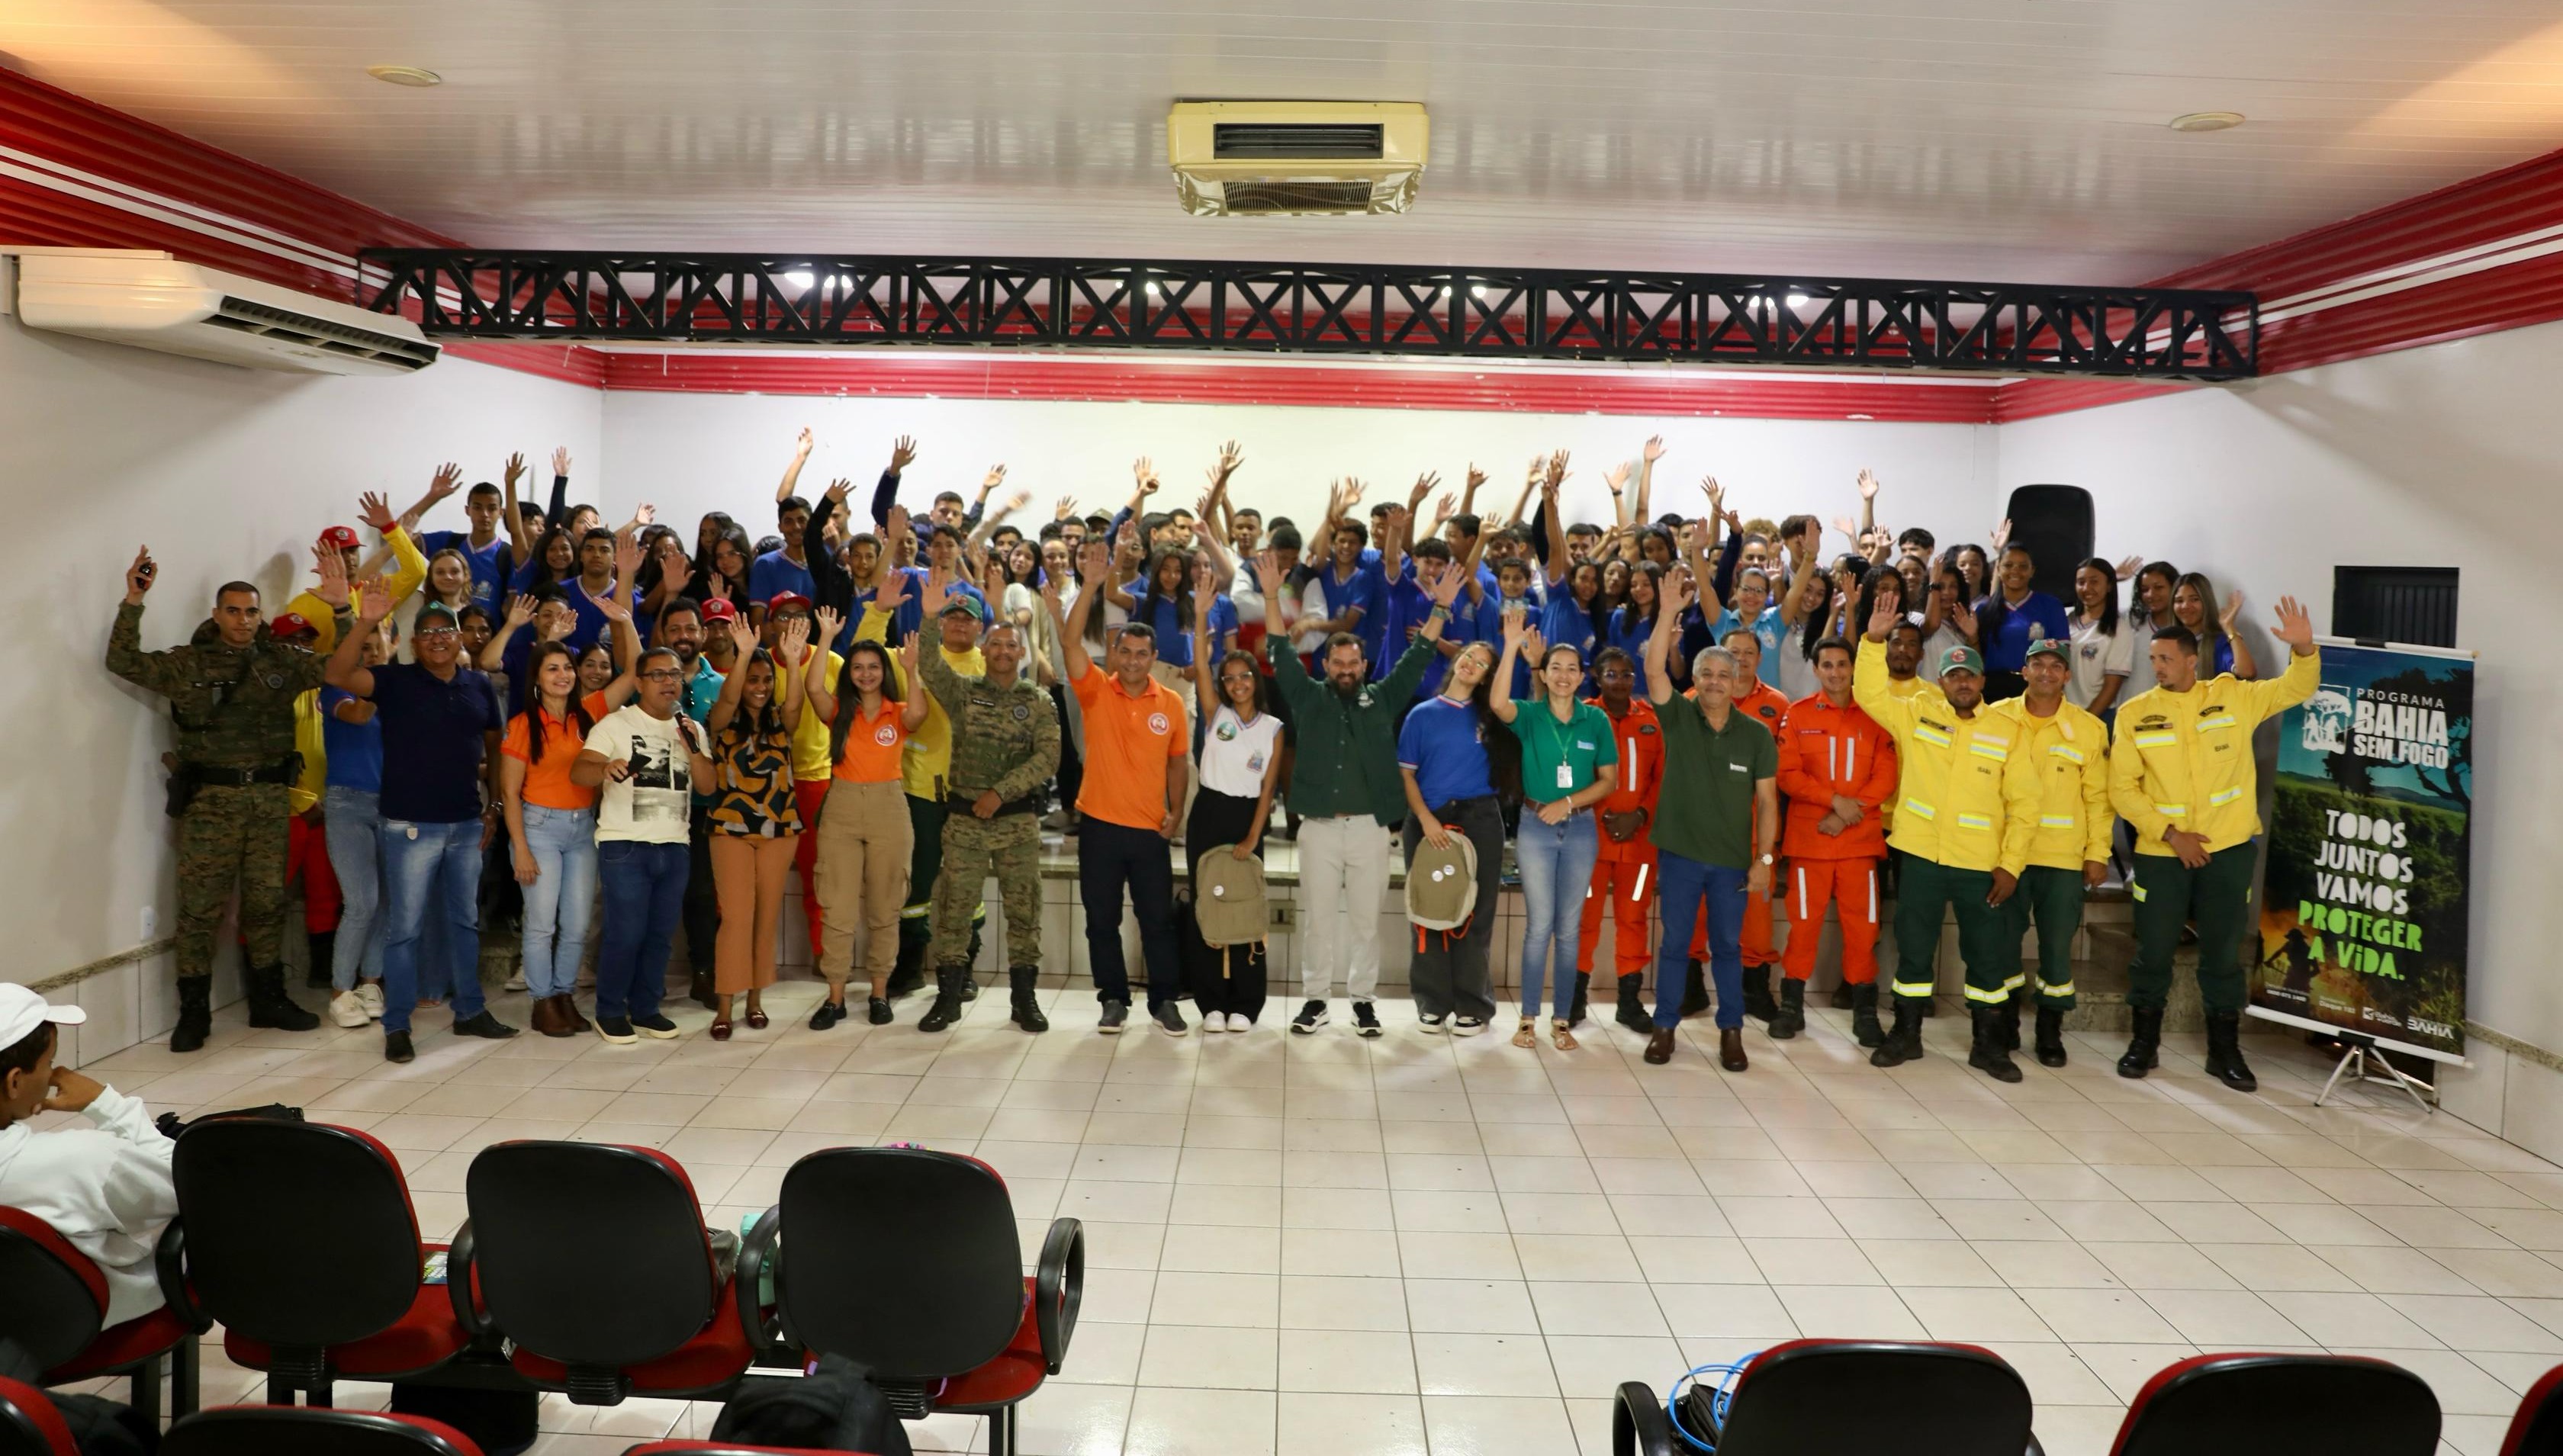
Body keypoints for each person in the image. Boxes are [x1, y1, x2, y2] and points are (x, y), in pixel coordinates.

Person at [107, 546, 331, 1051]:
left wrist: (342, 611)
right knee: (199, 910)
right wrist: (133, 600)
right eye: (233, 610)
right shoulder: (188, 663)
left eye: (251, 611)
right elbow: (122, 660)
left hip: (269, 798)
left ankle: (268, 1000)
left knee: (266, 903)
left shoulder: (282, 660)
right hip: (212, 802)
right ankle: (193, 1012)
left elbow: (340, 668)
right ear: (216, 613)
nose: (243, 620)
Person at [2109, 599, 2320, 1091]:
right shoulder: (2135, 714)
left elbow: (2296, 687)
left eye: (2166, 659)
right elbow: (2122, 788)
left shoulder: (2232, 696)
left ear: (2192, 660)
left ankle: (2224, 1052)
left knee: (2223, 955)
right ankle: (2143, 1043)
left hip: (2227, 851)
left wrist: (2305, 648)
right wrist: (2171, 834)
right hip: (2162, 854)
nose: (2158, 667)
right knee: (2153, 952)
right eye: (2153, 659)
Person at [1255, 550, 1452, 1038]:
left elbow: (1418, 656)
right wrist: (1270, 597)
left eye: (1353, 662)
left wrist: (1442, 609)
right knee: (1318, 922)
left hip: (1369, 829)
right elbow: (1279, 649)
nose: (1345, 669)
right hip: (1319, 828)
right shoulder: (1307, 697)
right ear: (1325, 664)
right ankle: (1316, 1001)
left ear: (1364, 665)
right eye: (1337, 662)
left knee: (1366, 923)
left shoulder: (1384, 697)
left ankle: (1364, 1003)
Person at [1851, 595, 2037, 1080]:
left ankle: (1988, 1046)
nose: (1962, 683)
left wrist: (2011, 865)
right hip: (1920, 856)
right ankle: (1906, 1035)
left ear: (1982, 681)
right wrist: (1873, 641)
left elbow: (2025, 807)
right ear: (1941, 682)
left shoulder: (2008, 731)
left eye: (1969, 675)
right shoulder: (1918, 712)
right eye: (1953, 676)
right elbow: (1868, 695)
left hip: (1981, 865)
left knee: (1986, 957)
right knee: (1914, 949)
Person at [1641, 574, 1777, 1072]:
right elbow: (1653, 668)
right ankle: (1664, 1028)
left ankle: (1731, 1031)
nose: (1716, 681)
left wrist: (1764, 859)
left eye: (1724, 674)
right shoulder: (1678, 717)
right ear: (1696, 680)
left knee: (1727, 949)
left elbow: (1768, 803)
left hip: (1732, 863)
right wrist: (1666, 612)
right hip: (1679, 855)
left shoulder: (1757, 735)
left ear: (1737, 680)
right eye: (1707, 674)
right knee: (1676, 946)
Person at [915, 576, 1061, 1034]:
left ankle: (1024, 1000)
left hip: (1016, 823)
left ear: (1022, 653)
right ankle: (948, 999)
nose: (1002, 651)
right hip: (965, 823)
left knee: (1024, 911)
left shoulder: (1038, 702)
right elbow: (929, 665)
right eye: (995, 644)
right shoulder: (963, 692)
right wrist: (930, 617)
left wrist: (1001, 792)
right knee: (954, 910)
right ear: (985, 649)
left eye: (1010, 646)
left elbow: (1048, 758)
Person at [1057, 539, 1191, 1034]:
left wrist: (1176, 812)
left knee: (1157, 922)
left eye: (1142, 654)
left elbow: (1178, 763)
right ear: (1114, 654)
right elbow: (1071, 643)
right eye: (1126, 652)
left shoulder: (1171, 702)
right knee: (1101, 921)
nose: (1133, 661)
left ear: (1154, 657)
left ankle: (1164, 1001)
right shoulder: (1096, 690)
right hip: (1099, 827)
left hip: (1150, 830)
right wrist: (1091, 586)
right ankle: (1113, 998)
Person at [0, 986, 177, 1327]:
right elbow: (186, 1184)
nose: (55, 1074)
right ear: (15, 1082)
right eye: (49, 1063)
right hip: (70, 1322)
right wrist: (107, 1104)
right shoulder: (81, 1160)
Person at [500, 608, 638, 1036]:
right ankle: (542, 1001)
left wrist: (625, 621)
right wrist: (521, 848)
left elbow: (635, 673)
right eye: (552, 668)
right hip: (538, 827)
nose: (563, 675)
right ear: (537, 678)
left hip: (582, 829)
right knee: (542, 923)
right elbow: (509, 792)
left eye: (567, 668)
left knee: (576, 924)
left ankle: (563, 995)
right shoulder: (523, 725)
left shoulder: (589, 712)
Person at [576, 646, 720, 1045]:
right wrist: (605, 767)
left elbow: (708, 785)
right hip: (625, 844)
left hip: (675, 845)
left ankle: (646, 1008)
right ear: (639, 682)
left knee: (659, 935)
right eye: (657, 675)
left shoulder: (691, 728)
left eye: (674, 674)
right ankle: (609, 1010)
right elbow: (579, 771)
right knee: (626, 933)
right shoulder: (615, 724)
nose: (668, 682)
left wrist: (693, 748)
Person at [1489, 615, 1618, 1049]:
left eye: (1572, 669)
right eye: (1555, 668)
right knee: (1538, 926)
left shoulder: (1595, 720)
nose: (1564, 675)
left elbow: (1608, 781)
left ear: (1582, 677)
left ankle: (1561, 1020)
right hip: (1535, 829)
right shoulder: (1529, 715)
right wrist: (1511, 647)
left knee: (1569, 928)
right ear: (1543, 675)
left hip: (1580, 830)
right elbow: (1498, 703)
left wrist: (1568, 803)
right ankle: (1527, 1019)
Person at [1988, 638, 2113, 1069]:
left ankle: (2049, 1031)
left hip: (2062, 859)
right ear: (2024, 672)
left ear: (2067, 676)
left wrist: (2098, 853)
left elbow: (2099, 800)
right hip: (2006, 858)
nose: (2046, 672)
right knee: (2004, 946)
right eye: (2037, 664)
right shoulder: (1996, 718)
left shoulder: (2089, 729)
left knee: (2057, 950)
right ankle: (2005, 1024)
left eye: (2055, 666)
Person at [806, 609, 930, 1027]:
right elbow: (813, 687)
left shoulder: (899, 711)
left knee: (885, 909)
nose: (865, 674)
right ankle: (835, 997)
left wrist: (911, 669)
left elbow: (920, 715)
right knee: (836, 909)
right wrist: (826, 638)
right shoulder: (839, 711)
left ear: (884, 671)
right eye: (857, 667)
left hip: (889, 809)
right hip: (841, 809)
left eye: (873, 666)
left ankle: (879, 993)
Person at [1772, 638, 1897, 1046]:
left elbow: (1886, 776)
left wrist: (1846, 811)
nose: (1836, 672)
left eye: (1843, 664)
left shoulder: (1876, 714)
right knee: (1803, 927)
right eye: (1827, 665)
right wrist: (1833, 801)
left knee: (1863, 929)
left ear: (1853, 668)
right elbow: (1787, 773)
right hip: (1811, 841)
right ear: (1816, 670)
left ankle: (1865, 1011)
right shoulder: (1798, 714)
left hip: (1859, 843)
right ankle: (1791, 1006)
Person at [1397, 632, 1512, 1037]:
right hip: (1428, 821)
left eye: (1481, 664)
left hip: (1480, 820)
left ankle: (1473, 1005)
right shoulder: (1421, 714)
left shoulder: (1492, 717)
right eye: (1468, 655)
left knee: (1476, 914)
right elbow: (1407, 775)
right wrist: (1426, 820)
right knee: (1428, 909)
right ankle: (1432, 1002)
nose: (1471, 664)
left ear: (1486, 677)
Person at [703, 614, 812, 1038]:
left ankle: (755, 1001)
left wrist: (793, 662)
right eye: (753, 679)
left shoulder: (780, 721)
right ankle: (724, 1005)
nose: (761, 687)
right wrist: (745, 654)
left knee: (766, 919)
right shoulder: (721, 719)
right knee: (736, 918)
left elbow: (796, 705)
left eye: (767, 680)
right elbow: (728, 698)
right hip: (729, 829)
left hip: (778, 831)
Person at [1185, 573, 1285, 1032]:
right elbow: (1200, 666)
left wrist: (1252, 836)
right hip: (1208, 813)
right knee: (1208, 902)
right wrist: (1201, 616)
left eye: (1245, 676)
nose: (1238, 683)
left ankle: (1246, 1003)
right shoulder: (1216, 714)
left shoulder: (1273, 728)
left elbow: (1267, 790)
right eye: (1230, 678)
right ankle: (1210, 1003)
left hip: (1247, 818)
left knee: (1245, 905)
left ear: (1255, 680)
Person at [1577, 647, 1663, 1033]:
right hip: (1590, 843)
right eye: (1611, 674)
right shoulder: (1582, 717)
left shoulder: (1651, 721)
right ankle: (1574, 998)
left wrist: (1640, 815)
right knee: (1584, 919)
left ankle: (1629, 1002)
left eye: (1626, 674)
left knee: (1634, 920)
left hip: (1640, 845)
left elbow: (1663, 778)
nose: (1620, 681)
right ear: (1596, 678)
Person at [320, 619, 393, 1028]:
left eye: (377, 646)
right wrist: (384, 687)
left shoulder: (397, 692)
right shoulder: (335, 690)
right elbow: (360, 715)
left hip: (391, 804)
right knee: (361, 901)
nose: (372, 654)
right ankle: (340, 991)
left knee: (385, 901)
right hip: (347, 803)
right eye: (363, 647)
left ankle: (370, 983)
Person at [286, 489, 428, 653]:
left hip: (377, 667)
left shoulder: (378, 590)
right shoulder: (303, 604)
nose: (349, 558)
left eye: (353, 550)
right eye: (340, 552)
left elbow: (417, 572)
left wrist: (390, 529)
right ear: (324, 557)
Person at [1973, 539, 2073, 702]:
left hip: (2036, 688)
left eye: (2023, 566)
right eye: (2008, 565)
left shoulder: (2050, 605)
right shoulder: (1984, 610)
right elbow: (1977, 658)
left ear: (2032, 571)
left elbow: (2062, 654)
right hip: (1992, 690)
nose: (2015, 571)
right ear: (1998, 569)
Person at [2066, 557, 2134, 717]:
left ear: (2109, 586)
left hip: (2098, 714)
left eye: (2094, 582)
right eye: (2081, 582)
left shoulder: (2119, 628)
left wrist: (2087, 720)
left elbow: (2112, 686)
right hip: (2065, 712)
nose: (2086, 588)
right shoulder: (2069, 621)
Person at [2172, 571, 2256, 680]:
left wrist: (2229, 627)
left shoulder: (2218, 643)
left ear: (2206, 601)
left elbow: (2247, 672)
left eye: (2194, 599)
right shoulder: (2167, 642)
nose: (2185, 606)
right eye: (2179, 601)